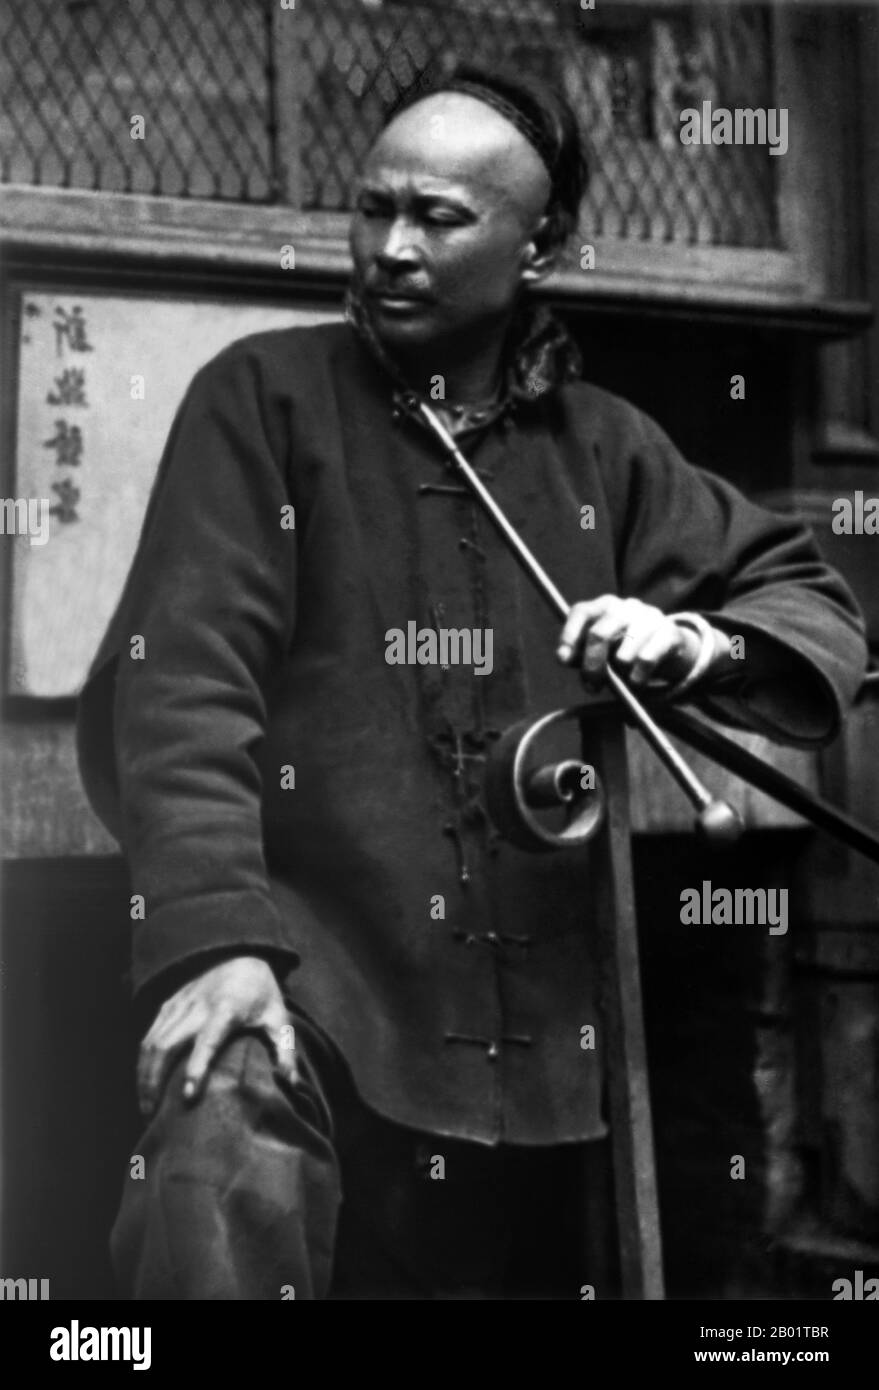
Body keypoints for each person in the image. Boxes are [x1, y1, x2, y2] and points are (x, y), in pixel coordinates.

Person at [77, 63, 867, 1300]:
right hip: (325, 969)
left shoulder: (604, 445)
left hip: (546, 1014)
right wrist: (218, 947)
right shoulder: (262, 399)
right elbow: (180, 689)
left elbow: (806, 594)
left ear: (538, 247)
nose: (389, 248)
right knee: (221, 1102)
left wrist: (691, 642)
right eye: (371, 207)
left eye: (438, 218)